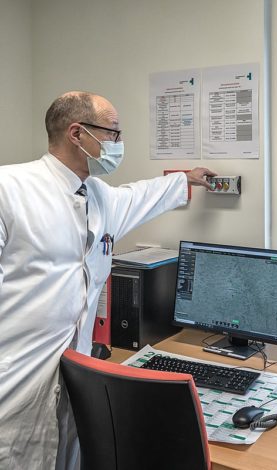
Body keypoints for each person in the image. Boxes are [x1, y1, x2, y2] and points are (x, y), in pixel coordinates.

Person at [0, 91, 216, 469]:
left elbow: (140, 196)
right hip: (16, 378)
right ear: (77, 133)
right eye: (113, 132)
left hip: (74, 377)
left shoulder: (99, 196)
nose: (118, 143)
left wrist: (186, 179)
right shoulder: (10, 188)